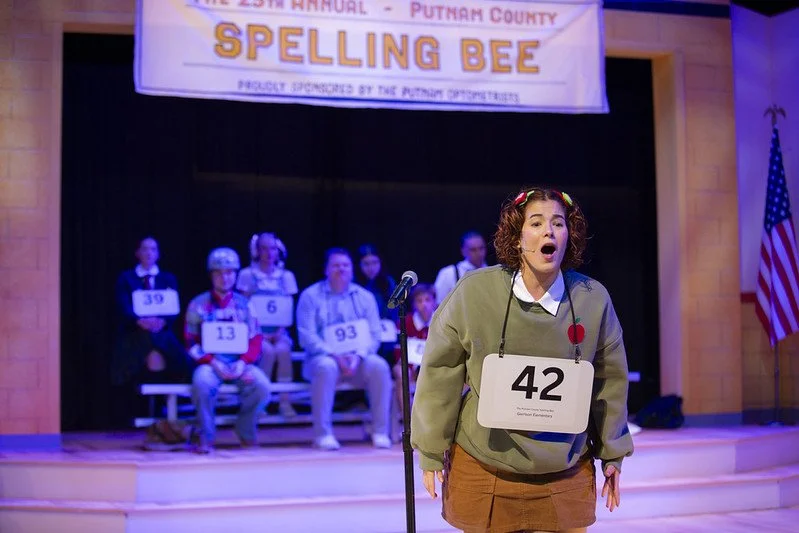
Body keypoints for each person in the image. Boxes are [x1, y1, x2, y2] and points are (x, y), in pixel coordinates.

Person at [411, 188, 634, 533]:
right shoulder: (473, 291)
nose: (549, 231)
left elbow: (610, 380)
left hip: (565, 466)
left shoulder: (592, 299)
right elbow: (441, 372)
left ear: (568, 237)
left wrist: (613, 453)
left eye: (558, 223)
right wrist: (429, 449)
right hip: (485, 463)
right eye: (537, 222)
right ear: (516, 238)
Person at [296, 248, 393, 450]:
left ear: (352, 269)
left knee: (379, 366)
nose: (341, 269)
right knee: (326, 366)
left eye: (345, 265)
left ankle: (380, 431)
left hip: (357, 360)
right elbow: (306, 336)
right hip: (323, 359)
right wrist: (335, 355)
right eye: (336, 265)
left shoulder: (365, 297)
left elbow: (375, 335)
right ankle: (323, 435)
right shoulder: (310, 296)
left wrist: (358, 356)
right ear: (326, 270)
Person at [185, 247, 271, 453]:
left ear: (235, 275)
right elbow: (191, 342)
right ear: (211, 275)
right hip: (211, 364)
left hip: (240, 364)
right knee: (202, 383)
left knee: (262, 387)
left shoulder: (245, 305)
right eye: (219, 273)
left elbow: (256, 339)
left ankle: (245, 430)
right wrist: (212, 362)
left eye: (229, 272)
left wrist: (243, 362)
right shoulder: (198, 304)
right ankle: (206, 435)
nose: (224, 278)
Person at [111, 236, 192, 427]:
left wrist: (160, 321)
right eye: (145, 249)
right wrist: (140, 321)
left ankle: (167, 402)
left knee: (159, 343)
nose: (149, 253)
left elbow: (173, 309)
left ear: (158, 254)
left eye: (153, 249)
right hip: (135, 333)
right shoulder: (126, 278)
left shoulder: (168, 278)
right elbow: (123, 307)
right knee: (151, 344)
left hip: (162, 332)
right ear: (137, 253)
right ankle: (155, 405)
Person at [237, 232, 299, 417]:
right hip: (256, 333)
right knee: (268, 352)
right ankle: (261, 402)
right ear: (257, 251)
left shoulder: (286, 276)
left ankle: (285, 401)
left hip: (280, 332)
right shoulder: (247, 275)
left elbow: (288, 308)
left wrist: (280, 330)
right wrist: (259, 333)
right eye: (263, 248)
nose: (268, 253)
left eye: (272, 248)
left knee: (283, 351)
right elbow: (243, 308)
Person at [392, 283, 437, 410]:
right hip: (410, 366)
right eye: (419, 301)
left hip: (434, 364)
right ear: (414, 304)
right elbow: (397, 352)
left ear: (434, 302)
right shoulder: (404, 322)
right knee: (400, 372)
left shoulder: (442, 321)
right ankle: (410, 419)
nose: (424, 304)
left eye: (428, 300)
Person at [356, 244, 398, 367]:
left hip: (385, 331)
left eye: (375, 263)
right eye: (366, 264)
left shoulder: (388, 282)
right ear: (359, 265)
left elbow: (393, 312)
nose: (371, 268)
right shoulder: (353, 284)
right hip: (362, 331)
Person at [433, 230, 488, 304]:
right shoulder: (448, 273)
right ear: (463, 251)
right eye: (473, 250)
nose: (479, 253)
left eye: (481, 248)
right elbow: (438, 304)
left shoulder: (493, 272)